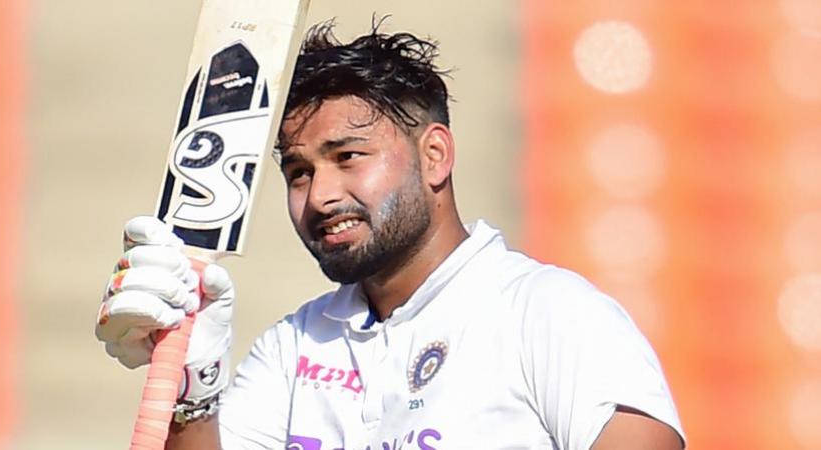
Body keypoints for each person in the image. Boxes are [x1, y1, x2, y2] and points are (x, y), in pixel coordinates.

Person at [96, 22, 686, 450]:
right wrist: (192, 392)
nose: (320, 196)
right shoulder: (292, 347)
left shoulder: (548, 311)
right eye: (298, 172)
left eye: (348, 157)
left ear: (434, 156)